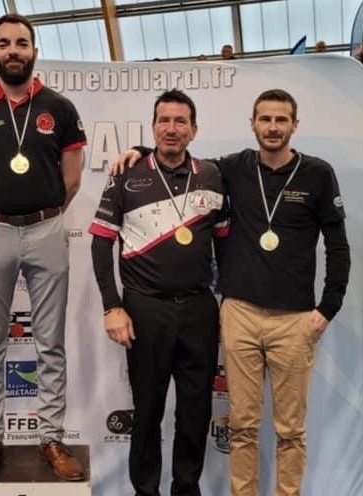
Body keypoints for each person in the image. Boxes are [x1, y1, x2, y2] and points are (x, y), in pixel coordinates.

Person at [111, 89, 351, 496]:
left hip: (295, 318)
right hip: (238, 313)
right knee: (242, 425)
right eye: (265, 119)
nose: (272, 128)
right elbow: (174, 154)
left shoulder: (318, 174)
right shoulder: (231, 169)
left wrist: (328, 307)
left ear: (295, 125)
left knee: (290, 429)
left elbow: (339, 245)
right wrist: (138, 150)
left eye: (281, 120)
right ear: (253, 124)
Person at [0, 12, 86, 484]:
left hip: (48, 231)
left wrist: (43, 214)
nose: (13, 50)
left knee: (50, 343)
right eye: (4, 43)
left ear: (34, 50)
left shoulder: (60, 108)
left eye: (21, 43)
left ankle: (51, 437)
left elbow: (72, 178)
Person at [90, 90, 227, 496]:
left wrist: (230, 302)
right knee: (147, 412)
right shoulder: (126, 174)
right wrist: (112, 306)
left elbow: (227, 245)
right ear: (153, 127)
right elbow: (100, 244)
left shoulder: (213, 175)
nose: (171, 128)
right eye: (164, 120)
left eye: (180, 121)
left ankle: (187, 488)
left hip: (201, 310)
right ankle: (145, 491)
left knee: (196, 412)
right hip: (145, 309)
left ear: (194, 129)